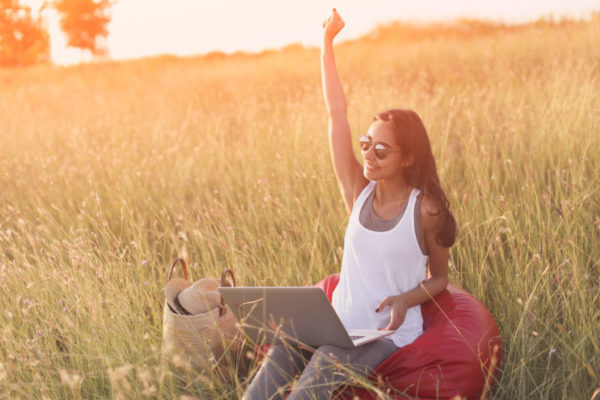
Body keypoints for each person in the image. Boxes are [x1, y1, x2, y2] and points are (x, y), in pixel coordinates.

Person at [242, 8, 457, 400]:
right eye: (365, 144)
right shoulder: (357, 190)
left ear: (408, 158)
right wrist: (326, 44)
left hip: (383, 333)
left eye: (380, 149)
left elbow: (439, 277)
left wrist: (407, 300)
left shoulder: (425, 210)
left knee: (321, 366)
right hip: (337, 320)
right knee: (277, 360)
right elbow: (335, 112)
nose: (368, 155)